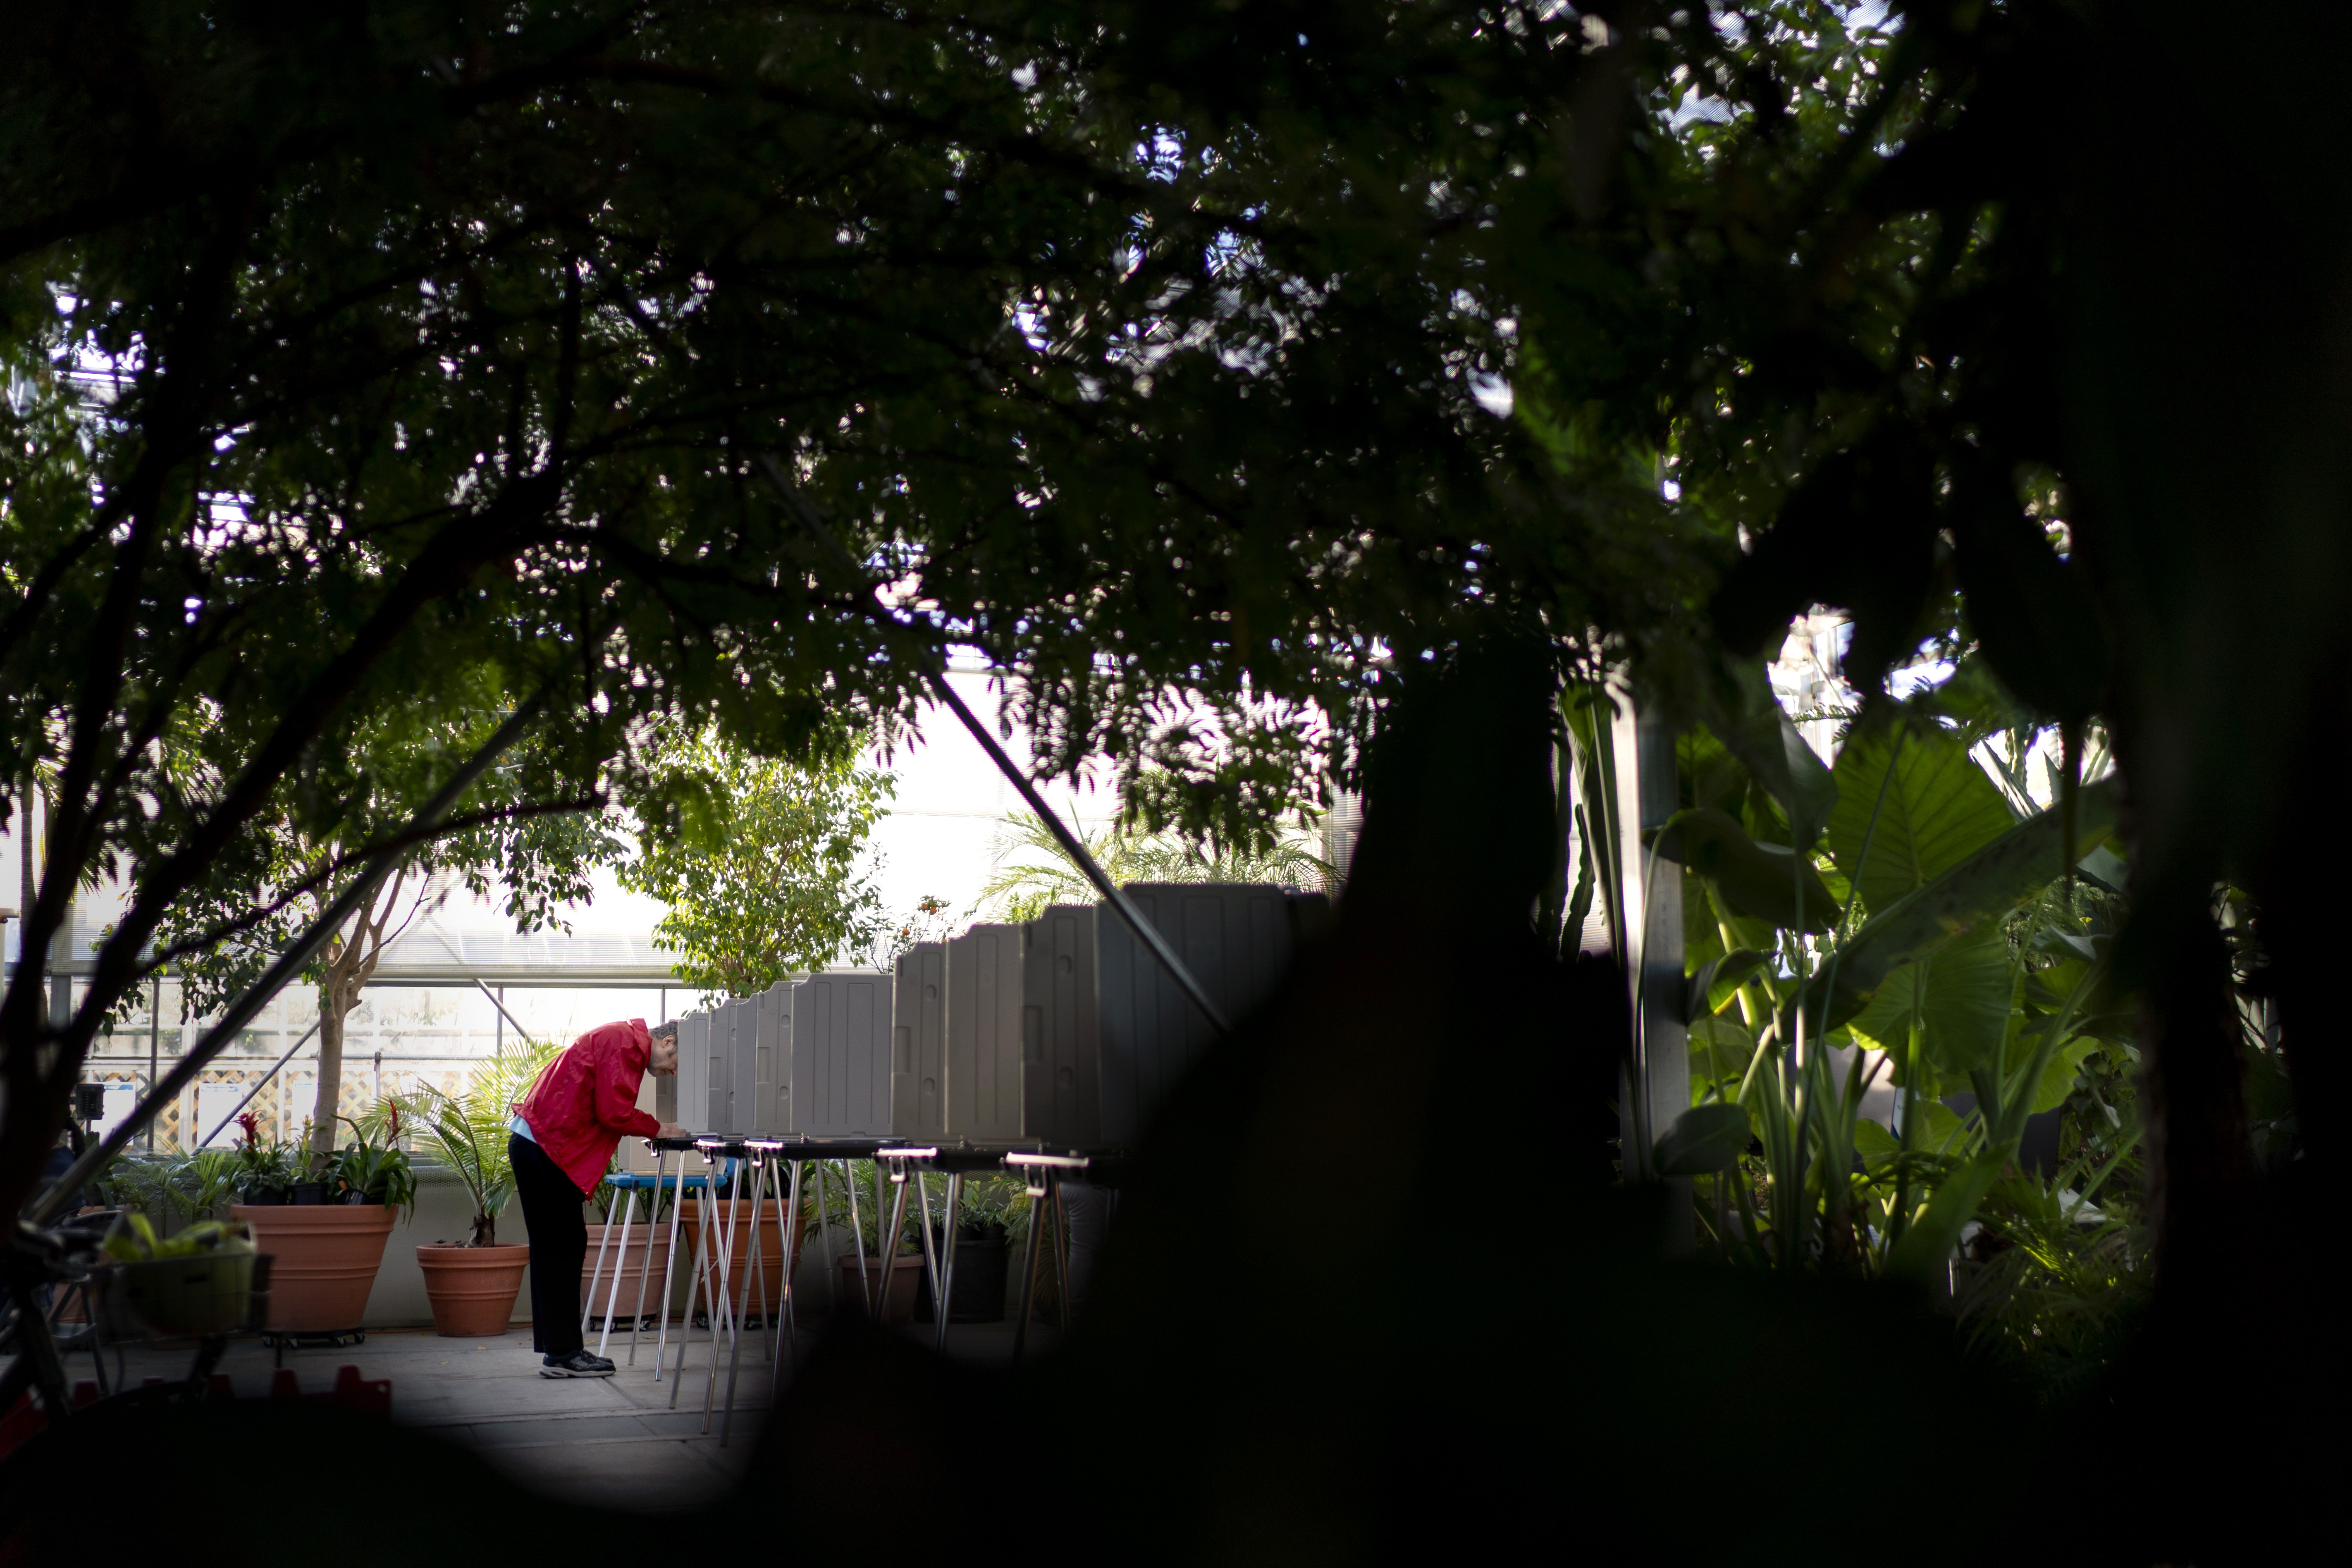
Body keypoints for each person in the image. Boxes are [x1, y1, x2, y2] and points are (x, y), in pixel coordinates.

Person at [509, 1017, 681, 1377]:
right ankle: (563, 1354)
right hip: (545, 1146)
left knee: (558, 1247)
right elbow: (613, 1112)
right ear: (667, 1042)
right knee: (562, 1248)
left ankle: (560, 1352)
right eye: (675, 1063)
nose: (673, 1072)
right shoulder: (626, 1044)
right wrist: (659, 1128)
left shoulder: (623, 1038)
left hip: (540, 1144)